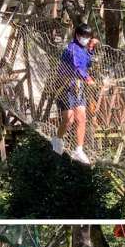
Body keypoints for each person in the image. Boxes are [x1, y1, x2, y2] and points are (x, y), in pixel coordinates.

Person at [51, 23, 99, 165]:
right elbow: (77, 67)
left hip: (77, 86)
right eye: (84, 36)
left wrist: (90, 49)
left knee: (82, 117)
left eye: (88, 36)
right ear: (77, 35)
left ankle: (79, 150)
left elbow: (87, 64)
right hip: (64, 86)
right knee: (69, 119)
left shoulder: (83, 49)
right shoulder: (71, 48)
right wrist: (87, 78)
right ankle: (57, 139)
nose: (86, 39)